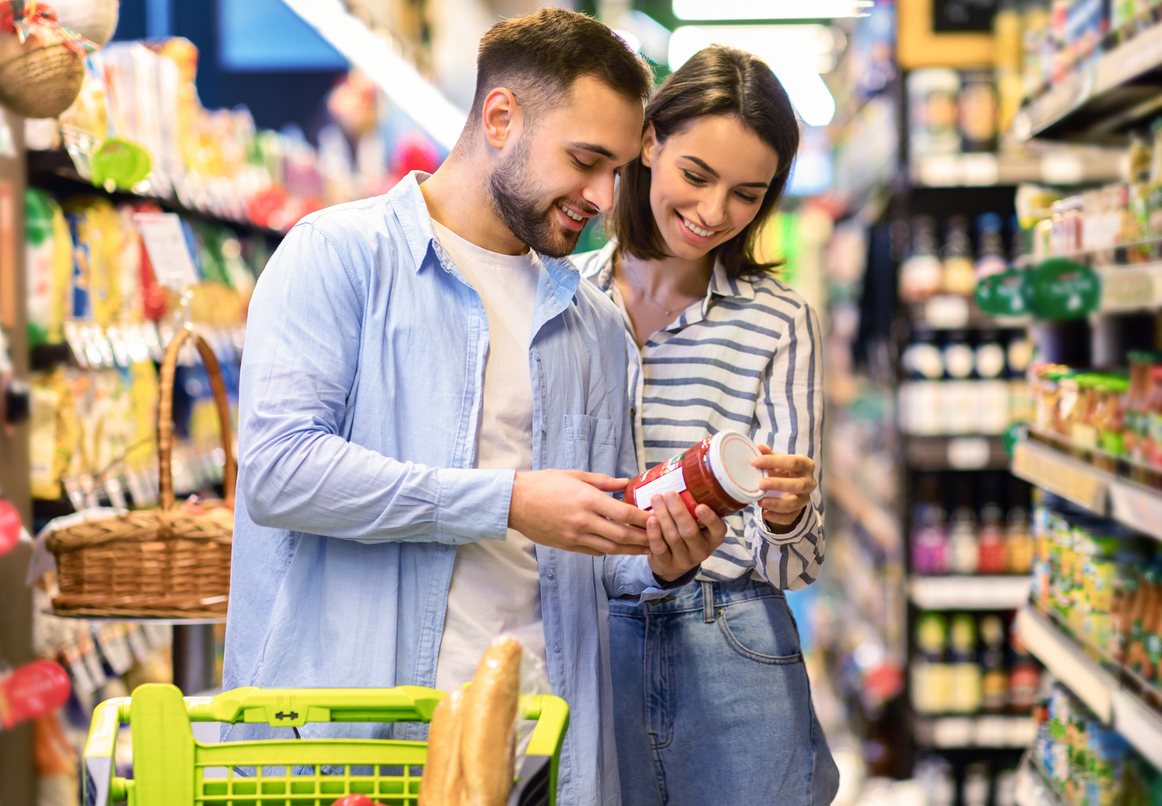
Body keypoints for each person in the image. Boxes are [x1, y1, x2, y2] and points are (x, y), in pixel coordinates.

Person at [223, 10, 726, 806]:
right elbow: (281, 475)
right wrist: (508, 502)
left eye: (619, 171)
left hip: (545, 754)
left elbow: (596, 553)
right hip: (359, 750)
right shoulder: (337, 257)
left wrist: (661, 554)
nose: (603, 197)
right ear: (500, 118)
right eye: (586, 160)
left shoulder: (594, 325)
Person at [572, 45, 839, 806]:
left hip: (734, 641)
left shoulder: (779, 321)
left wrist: (788, 515)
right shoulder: (565, 302)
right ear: (649, 141)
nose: (715, 212)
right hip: (595, 638)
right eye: (697, 175)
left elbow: (799, 567)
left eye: (748, 193)